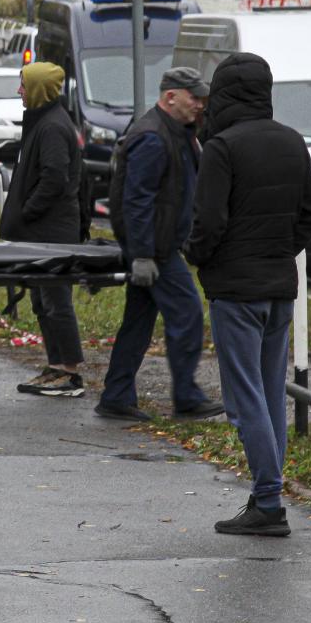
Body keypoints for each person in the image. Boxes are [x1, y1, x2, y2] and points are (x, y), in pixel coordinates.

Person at [185, 52, 311, 537]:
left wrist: (197, 256)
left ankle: (268, 501)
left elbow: (209, 222)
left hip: (236, 291)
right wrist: (278, 250)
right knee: (269, 396)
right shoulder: (291, 141)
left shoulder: (221, 148)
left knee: (245, 402)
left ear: (221, 94)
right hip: (279, 289)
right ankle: (268, 494)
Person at [96, 68, 225, 423]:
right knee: (186, 313)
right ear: (171, 97)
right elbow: (136, 202)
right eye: (194, 98)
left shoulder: (175, 132)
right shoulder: (153, 137)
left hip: (156, 247)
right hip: (155, 251)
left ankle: (116, 395)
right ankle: (186, 397)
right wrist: (141, 255)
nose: (200, 105)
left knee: (137, 324)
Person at [0, 62, 87, 397]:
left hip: (51, 233)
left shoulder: (51, 127)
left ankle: (69, 372)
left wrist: (26, 213)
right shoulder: (43, 121)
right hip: (40, 232)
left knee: (55, 301)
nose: (19, 91)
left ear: (38, 89)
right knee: (42, 301)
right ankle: (55, 366)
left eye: (23, 85)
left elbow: (54, 179)